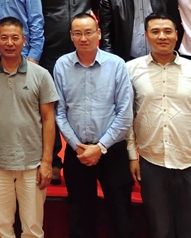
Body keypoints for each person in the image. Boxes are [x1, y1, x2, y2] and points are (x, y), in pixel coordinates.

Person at [127, 13, 191, 238]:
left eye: (168, 31)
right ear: (146, 36)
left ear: (177, 35)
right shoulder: (131, 69)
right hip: (152, 161)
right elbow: (127, 117)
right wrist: (132, 156)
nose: (162, 36)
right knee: (160, 229)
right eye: (155, 31)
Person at [0, 17, 59, 238]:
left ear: (24, 40)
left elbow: (49, 119)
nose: (9, 43)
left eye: (15, 37)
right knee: (1, 229)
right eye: (4, 38)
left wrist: (47, 161)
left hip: (32, 163)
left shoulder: (41, 75)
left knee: (32, 230)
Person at [53, 14, 134, 238]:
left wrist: (101, 147)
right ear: (71, 36)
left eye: (89, 32)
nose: (83, 38)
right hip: (77, 152)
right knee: (80, 218)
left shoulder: (116, 65)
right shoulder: (62, 65)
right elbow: (59, 112)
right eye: (77, 33)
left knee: (121, 216)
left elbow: (125, 112)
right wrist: (76, 146)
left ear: (98, 34)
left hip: (112, 151)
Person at [33, 0, 100, 183]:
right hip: (50, 55)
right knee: (49, 108)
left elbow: (100, 9)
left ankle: (87, 152)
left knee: (84, 104)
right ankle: (53, 160)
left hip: (82, 54)